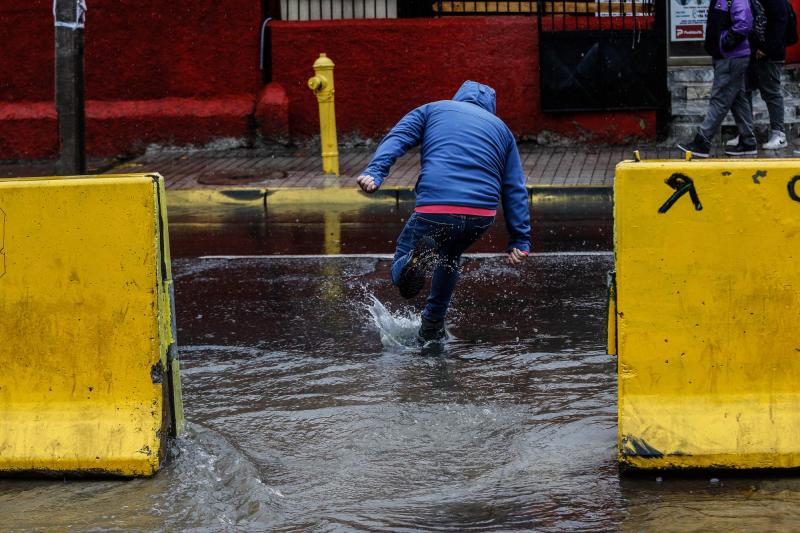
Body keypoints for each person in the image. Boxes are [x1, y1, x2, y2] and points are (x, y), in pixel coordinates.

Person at [356, 80, 531, 343]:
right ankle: (432, 325)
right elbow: (515, 187)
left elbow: (398, 137)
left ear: (458, 97)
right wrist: (520, 239)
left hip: (437, 206)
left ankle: (412, 262)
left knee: (405, 259)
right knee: (450, 256)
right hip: (481, 215)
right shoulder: (502, 130)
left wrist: (376, 171)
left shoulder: (433, 109)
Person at [678, 0, 756, 157]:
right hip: (730, 56)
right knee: (738, 99)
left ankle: (702, 142)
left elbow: (744, 23)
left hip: (731, 57)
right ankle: (748, 142)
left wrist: (725, 42)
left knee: (720, 99)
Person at [728, 0, 789, 150]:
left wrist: (766, 48)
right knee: (744, 91)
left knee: (771, 92)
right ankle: (746, 134)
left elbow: (780, 21)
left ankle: (779, 135)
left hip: (769, 54)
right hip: (749, 51)